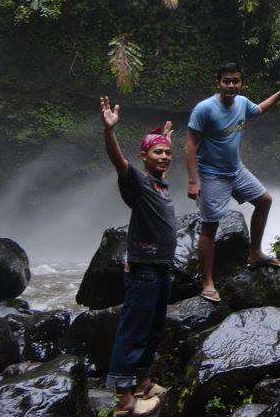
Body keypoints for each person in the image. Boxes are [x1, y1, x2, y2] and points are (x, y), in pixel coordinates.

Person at [185, 64, 280, 302]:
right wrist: (193, 181)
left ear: (241, 83)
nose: (231, 85)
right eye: (227, 81)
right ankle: (207, 282)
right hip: (212, 174)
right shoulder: (204, 109)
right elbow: (190, 145)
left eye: (236, 81)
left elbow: (260, 109)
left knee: (264, 200)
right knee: (209, 227)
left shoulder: (242, 102)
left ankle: (255, 252)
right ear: (218, 83)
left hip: (236, 170)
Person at [99, 97, 175, 417]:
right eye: (158, 152)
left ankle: (143, 382)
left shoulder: (159, 185)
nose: (165, 156)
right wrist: (109, 132)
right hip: (143, 266)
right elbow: (119, 161)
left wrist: (165, 138)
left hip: (161, 267)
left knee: (153, 328)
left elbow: (159, 151)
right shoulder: (138, 182)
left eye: (168, 153)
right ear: (143, 156)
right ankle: (124, 398)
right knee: (133, 330)